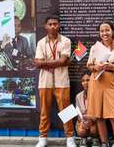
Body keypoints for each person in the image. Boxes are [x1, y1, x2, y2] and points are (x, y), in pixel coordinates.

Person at [34, 15, 76, 147]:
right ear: (46, 26)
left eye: (55, 24)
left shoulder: (66, 41)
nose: (53, 26)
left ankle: (70, 138)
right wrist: (56, 63)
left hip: (62, 81)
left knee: (66, 110)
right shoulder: (41, 42)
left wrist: (45, 63)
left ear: (59, 25)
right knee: (44, 110)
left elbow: (64, 60)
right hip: (44, 81)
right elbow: (37, 63)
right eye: (50, 24)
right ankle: (42, 138)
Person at [87, 20, 114, 147]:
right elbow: (89, 65)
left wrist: (111, 67)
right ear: (99, 33)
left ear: (112, 31)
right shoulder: (94, 47)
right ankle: (104, 143)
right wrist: (95, 67)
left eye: (107, 30)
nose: (105, 33)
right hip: (96, 82)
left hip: (111, 84)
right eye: (102, 31)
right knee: (99, 116)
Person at [75, 71, 99, 147]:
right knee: (81, 131)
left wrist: (90, 119)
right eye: (83, 81)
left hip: (95, 122)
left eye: (88, 80)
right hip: (83, 121)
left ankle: (96, 139)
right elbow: (78, 113)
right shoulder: (78, 96)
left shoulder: (98, 95)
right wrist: (82, 120)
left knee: (93, 129)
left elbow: (100, 115)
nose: (85, 83)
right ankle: (83, 139)